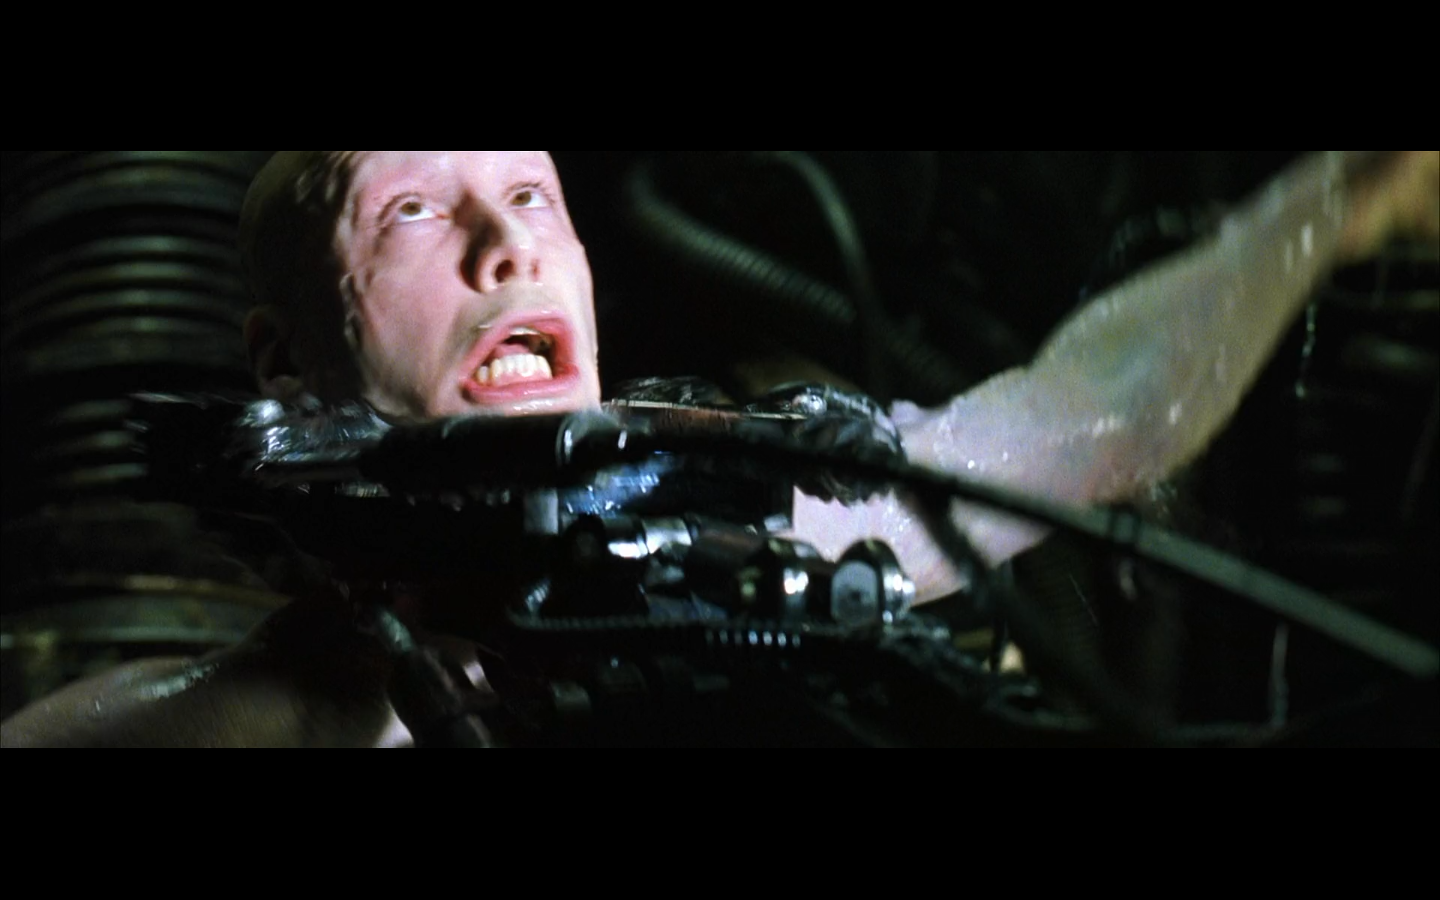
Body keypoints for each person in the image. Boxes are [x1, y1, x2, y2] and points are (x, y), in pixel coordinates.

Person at [3, 150, 1436, 748]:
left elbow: (1098, 415)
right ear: (283, 361)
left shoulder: (736, 539)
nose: (510, 247)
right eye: (413, 214)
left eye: (531, 196)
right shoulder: (243, 723)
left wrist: (1331, 204)